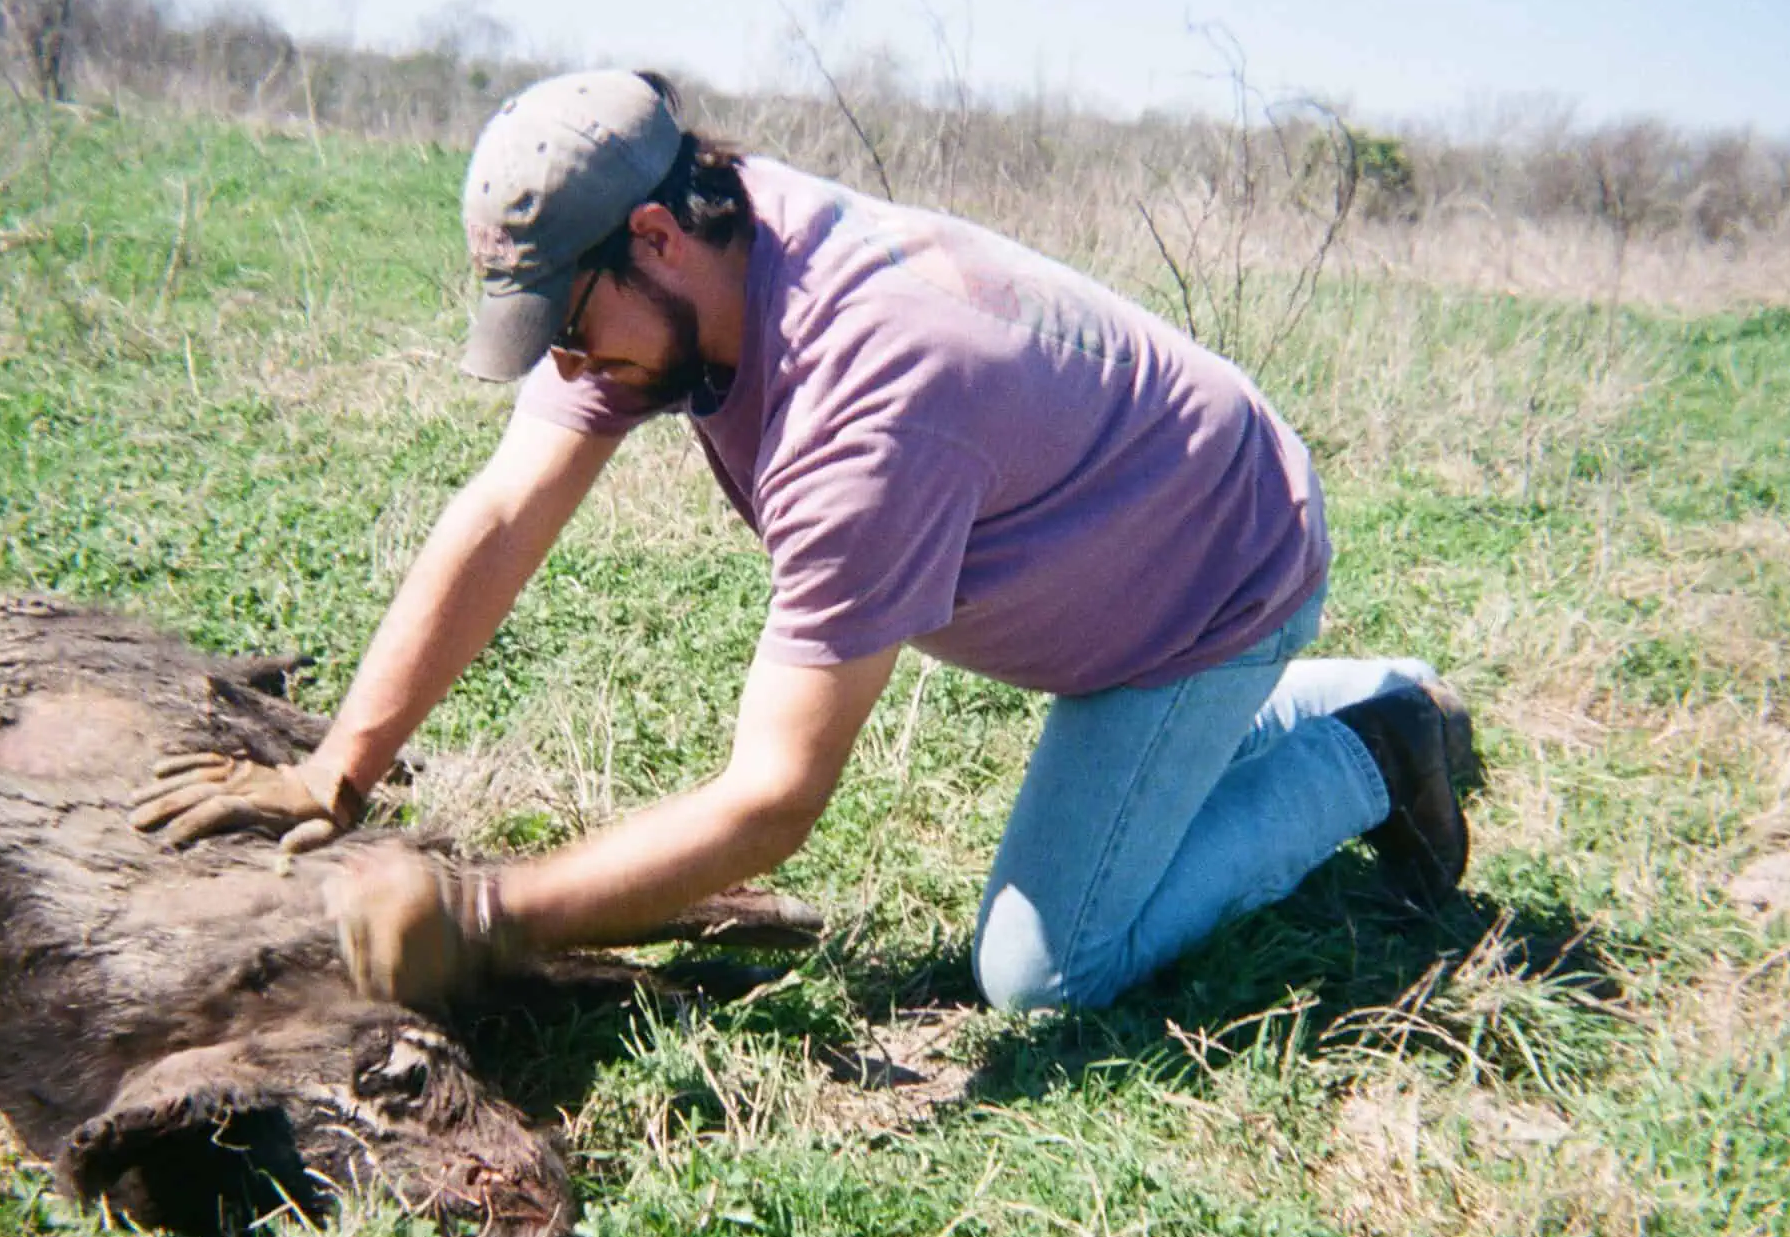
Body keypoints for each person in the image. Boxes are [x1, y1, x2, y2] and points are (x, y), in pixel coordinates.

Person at [130, 69, 1475, 1014]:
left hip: (1214, 585)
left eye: (569, 319)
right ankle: (1331, 701)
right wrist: (337, 771)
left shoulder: (865, 400)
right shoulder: (690, 261)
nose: (564, 358)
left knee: (1047, 976)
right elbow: (498, 513)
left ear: (654, 235)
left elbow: (775, 802)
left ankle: (1374, 747)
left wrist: (488, 921)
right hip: (1134, 534)